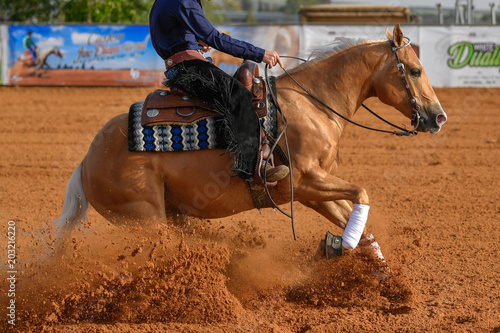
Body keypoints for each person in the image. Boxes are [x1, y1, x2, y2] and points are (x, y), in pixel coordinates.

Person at [149, 0, 289, 182]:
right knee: (238, 94)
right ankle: (252, 168)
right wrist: (259, 54)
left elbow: (171, 35)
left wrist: (195, 43)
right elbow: (215, 37)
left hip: (180, 66)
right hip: (189, 67)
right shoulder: (185, 1)